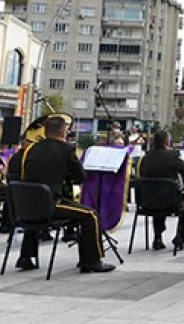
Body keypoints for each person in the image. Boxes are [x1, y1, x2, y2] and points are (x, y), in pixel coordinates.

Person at [14, 116, 115, 273]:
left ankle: (26, 257)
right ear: (63, 133)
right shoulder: (66, 149)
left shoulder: (30, 149)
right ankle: (91, 261)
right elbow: (80, 177)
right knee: (91, 215)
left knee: (36, 204)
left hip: (26, 208)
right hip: (51, 206)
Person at [138, 130, 184, 251]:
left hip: (146, 203)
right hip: (170, 203)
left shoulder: (145, 158)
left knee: (158, 196)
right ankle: (180, 237)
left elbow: (139, 177)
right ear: (167, 142)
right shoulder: (172, 157)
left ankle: (157, 239)